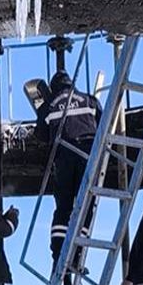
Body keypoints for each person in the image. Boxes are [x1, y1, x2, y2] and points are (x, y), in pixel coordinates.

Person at [35, 71, 101, 263]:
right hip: (88, 157)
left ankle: (59, 255)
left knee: (63, 206)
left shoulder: (49, 105)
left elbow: (40, 135)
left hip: (63, 158)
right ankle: (78, 252)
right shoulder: (89, 100)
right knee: (86, 204)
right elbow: (103, 125)